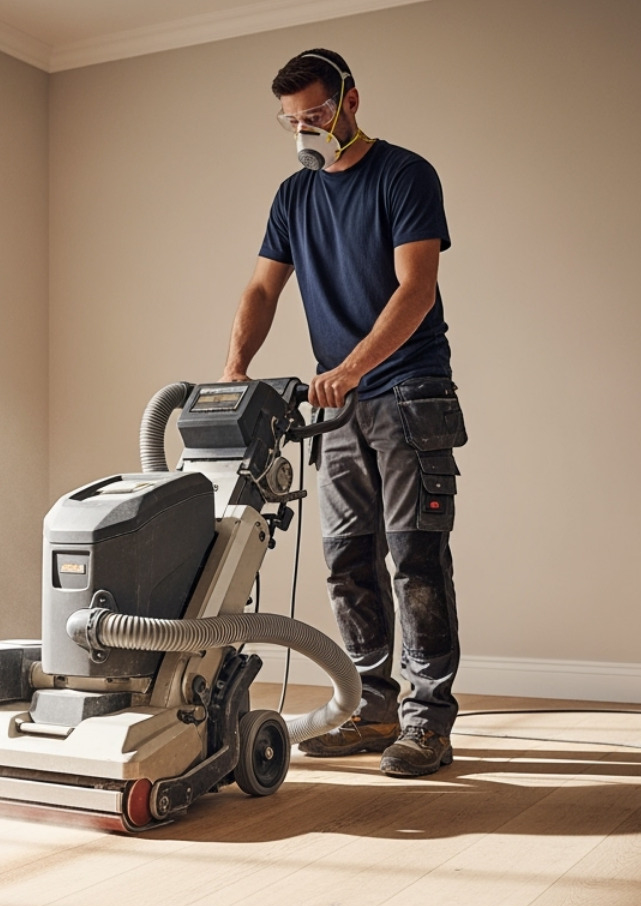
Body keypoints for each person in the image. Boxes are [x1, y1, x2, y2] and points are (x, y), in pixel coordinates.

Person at [220, 48, 466, 777]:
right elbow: (263, 291)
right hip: (340, 408)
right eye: (292, 121)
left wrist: (352, 368)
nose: (306, 131)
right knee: (346, 563)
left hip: (408, 392)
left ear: (351, 101)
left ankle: (427, 722)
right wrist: (235, 368)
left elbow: (415, 287)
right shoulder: (293, 198)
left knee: (415, 558)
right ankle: (372, 708)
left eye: (318, 115)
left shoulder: (404, 175)